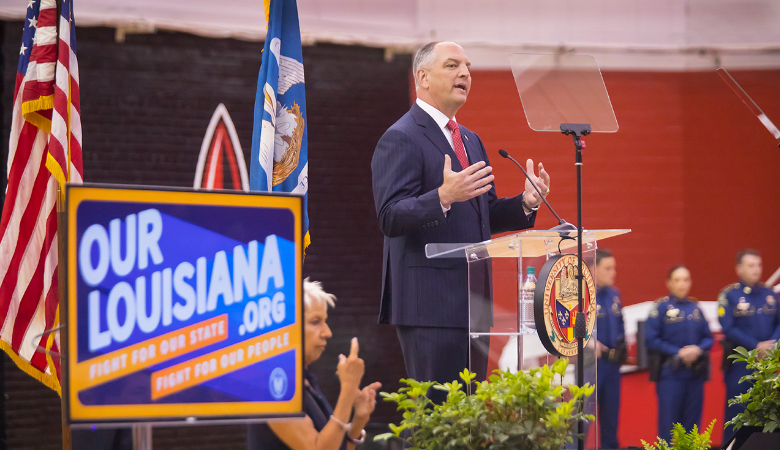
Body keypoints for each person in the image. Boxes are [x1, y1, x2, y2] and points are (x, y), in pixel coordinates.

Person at [370, 41, 550, 391]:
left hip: (474, 305)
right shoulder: (401, 137)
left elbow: (484, 215)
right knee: (436, 421)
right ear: (422, 77)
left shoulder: (469, 139)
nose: (465, 73)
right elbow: (390, 216)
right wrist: (442, 196)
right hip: (429, 305)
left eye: (468, 67)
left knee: (466, 419)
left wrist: (526, 203)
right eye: (452, 65)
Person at [247, 279, 381, 450]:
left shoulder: (305, 380)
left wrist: (358, 420)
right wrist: (347, 391)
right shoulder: (272, 387)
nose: (327, 332)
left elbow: (334, 446)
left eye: (325, 321)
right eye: (315, 321)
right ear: (286, 327)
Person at [645, 266, 712, 442]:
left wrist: (698, 349)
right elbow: (650, 339)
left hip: (695, 375)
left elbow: (709, 338)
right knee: (669, 427)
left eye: (685, 279)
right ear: (669, 283)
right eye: (677, 280)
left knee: (692, 428)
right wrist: (678, 352)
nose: (682, 284)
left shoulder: (696, 308)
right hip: (670, 376)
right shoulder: (660, 308)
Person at [719, 249, 780, 442]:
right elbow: (728, 327)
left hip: (766, 366)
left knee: (765, 414)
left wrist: (771, 345)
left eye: (759, 265)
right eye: (751, 265)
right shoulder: (730, 295)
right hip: (740, 365)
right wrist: (756, 346)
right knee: (737, 416)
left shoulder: (769, 294)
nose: (756, 270)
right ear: (739, 268)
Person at [593, 249, 626, 449]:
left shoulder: (614, 294)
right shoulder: (583, 294)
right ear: (593, 268)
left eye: (614, 268)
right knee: (583, 421)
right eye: (607, 268)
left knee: (611, 422)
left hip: (612, 366)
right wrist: (586, 343)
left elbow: (621, 325)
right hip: (592, 365)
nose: (613, 272)